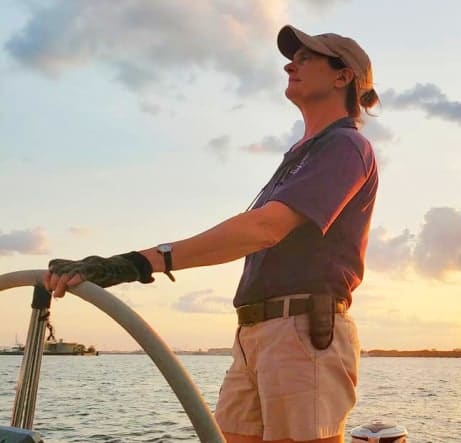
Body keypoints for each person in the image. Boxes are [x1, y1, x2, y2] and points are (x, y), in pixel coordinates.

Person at [44, 24, 380, 443]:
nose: (289, 64)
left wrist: (135, 262)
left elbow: (263, 229)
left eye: (306, 57)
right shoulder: (299, 156)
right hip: (254, 333)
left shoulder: (347, 147)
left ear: (342, 75)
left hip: (301, 335)